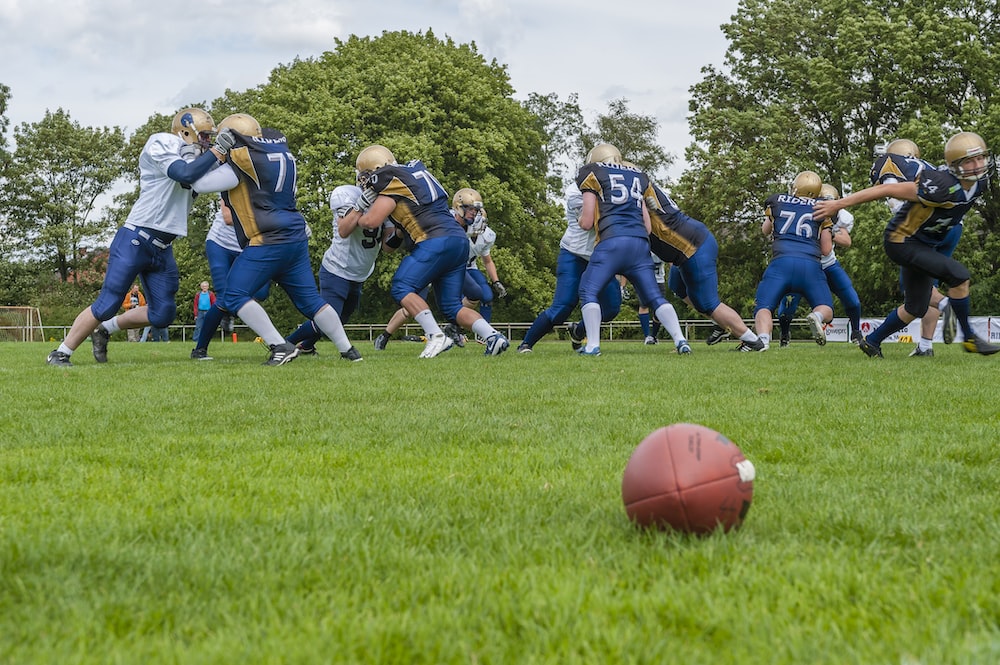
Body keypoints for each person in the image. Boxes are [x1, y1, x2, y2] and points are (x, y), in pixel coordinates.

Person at [46, 107, 234, 367]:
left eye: (209, 137)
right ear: (185, 131)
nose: (207, 141)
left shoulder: (202, 156)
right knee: (108, 303)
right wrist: (216, 153)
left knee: (163, 314)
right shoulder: (163, 142)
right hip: (136, 237)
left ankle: (105, 330)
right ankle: (61, 352)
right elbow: (185, 174)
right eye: (203, 136)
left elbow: (222, 177)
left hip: (164, 247)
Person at [815, 131, 1000, 358]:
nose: (978, 165)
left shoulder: (981, 182)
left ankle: (872, 342)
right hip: (902, 241)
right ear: (954, 164)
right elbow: (886, 189)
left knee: (916, 306)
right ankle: (970, 338)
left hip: (926, 243)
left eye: (980, 158)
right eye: (970, 160)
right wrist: (838, 204)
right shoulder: (940, 185)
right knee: (959, 275)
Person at [209, 114, 362, 366]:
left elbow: (198, 182)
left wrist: (205, 156)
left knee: (234, 294)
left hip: (268, 239)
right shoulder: (278, 157)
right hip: (295, 236)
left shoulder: (243, 163)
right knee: (311, 301)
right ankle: (349, 350)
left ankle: (280, 345)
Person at [345, 144, 509, 358]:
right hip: (458, 241)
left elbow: (370, 221)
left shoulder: (391, 185)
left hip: (435, 240)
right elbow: (392, 244)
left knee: (402, 286)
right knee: (451, 307)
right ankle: (492, 336)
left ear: (376, 169)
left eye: (366, 176)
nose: (365, 182)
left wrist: (359, 207)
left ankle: (435, 335)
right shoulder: (414, 175)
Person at [573, 144, 689, 356]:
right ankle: (681, 340)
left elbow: (587, 222)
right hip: (639, 245)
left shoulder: (593, 174)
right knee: (655, 297)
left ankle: (592, 346)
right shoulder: (637, 175)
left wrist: (580, 218)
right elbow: (647, 226)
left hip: (612, 243)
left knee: (588, 290)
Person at [643, 178, 766, 352]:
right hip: (688, 246)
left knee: (708, 303)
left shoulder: (637, 194)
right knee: (677, 286)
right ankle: (720, 324)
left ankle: (753, 341)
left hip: (694, 247)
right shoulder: (644, 190)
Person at [869, 138, 961, 356]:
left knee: (913, 291)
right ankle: (926, 346)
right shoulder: (930, 167)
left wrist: (903, 219)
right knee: (929, 286)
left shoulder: (892, 163)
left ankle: (948, 304)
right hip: (952, 227)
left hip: (922, 229)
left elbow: (891, 192)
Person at [284, 184, 401, 354]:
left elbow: (387, 247)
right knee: (327, 320)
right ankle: (286, 343)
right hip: (337, 269)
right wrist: (360, 205)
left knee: (340, 319)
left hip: (359, 273)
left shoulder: (385, 202)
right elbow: (344, 229)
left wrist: (399, 233)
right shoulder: (347, 194)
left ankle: (306, 346)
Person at [516, 181, 622, 353]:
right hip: (574, 254)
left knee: (611, 308)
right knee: (562, 308)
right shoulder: (576, 190)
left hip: (599, 257)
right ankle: (526, 344)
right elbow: (590, 222)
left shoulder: (616, 187)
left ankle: (578, 331)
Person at [752, 171, 834, 350]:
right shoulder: (823, 206)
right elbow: (827, 250)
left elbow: (765, 230)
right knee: (825, 308)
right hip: (810, 265)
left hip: (782, 262)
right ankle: (817, 317)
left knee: (764, 306)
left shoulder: (778, 201)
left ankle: (764, 341)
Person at [775, 183, 862, 347]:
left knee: (852, 300)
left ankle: (856, 333)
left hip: (827, 265)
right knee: (788, 306)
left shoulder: (841, 217)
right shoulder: (802, 211)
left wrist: (828, 230)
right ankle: (785, 334)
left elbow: (846, 241)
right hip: (805, 265)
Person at [189, 197, 272, 360]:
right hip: (221, 244)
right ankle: (199, 350)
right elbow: (228, 218)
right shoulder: (234, 179)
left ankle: (230, 310)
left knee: (262, 292)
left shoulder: (268, 186)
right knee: (224, 297)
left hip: (248, 247)